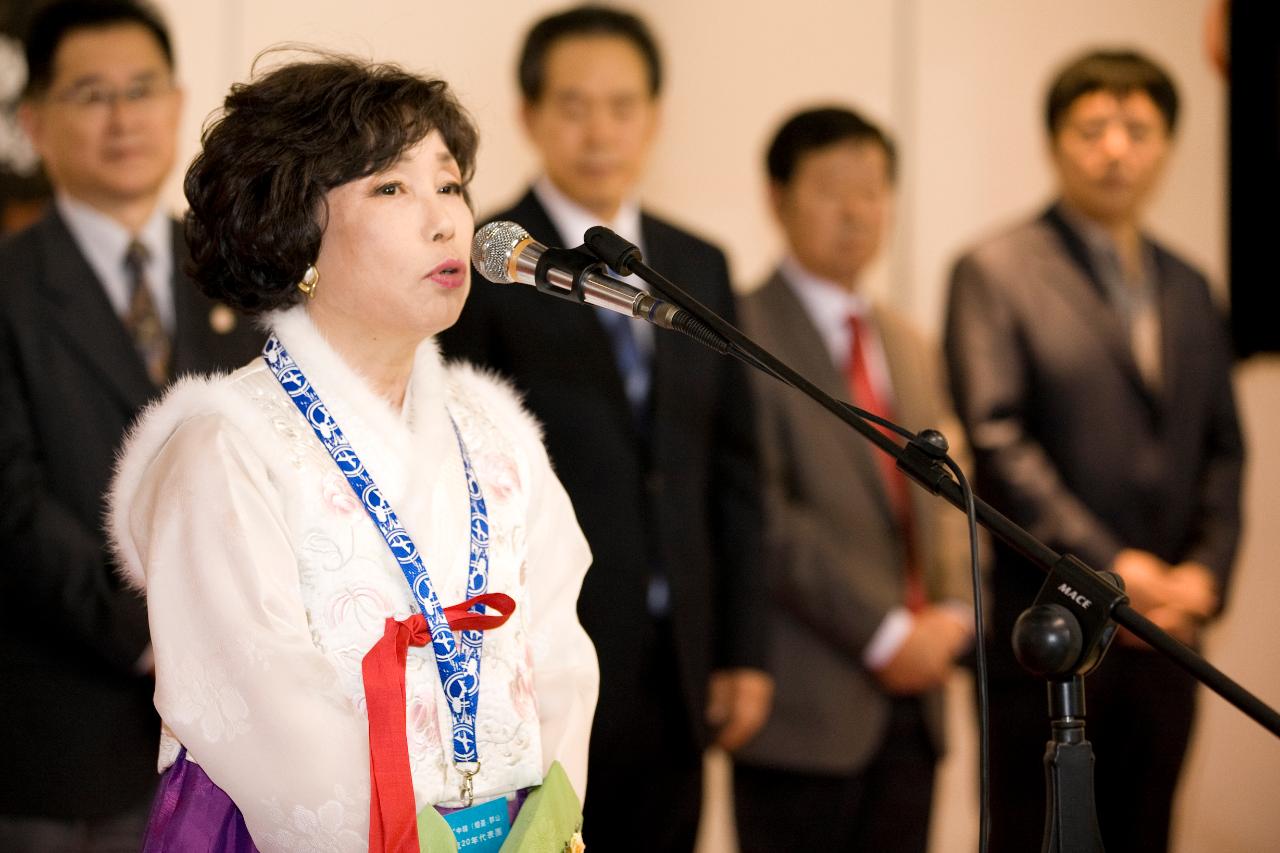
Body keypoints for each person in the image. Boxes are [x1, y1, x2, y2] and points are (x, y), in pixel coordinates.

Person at [105, 53, 598, 851]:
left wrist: (542, 825)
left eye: (449, 184)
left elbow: (561, 654)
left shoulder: (497, 430)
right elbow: (267, 713)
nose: (444, 220)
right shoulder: (228, 444)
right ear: (295, 227)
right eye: (393, 189)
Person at [438, 5, 771, 850]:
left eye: (623, 106)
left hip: (681, 654)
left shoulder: (698, 264)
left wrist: (744, 648)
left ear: (655, 117)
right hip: (541, 654)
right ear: (530, 115)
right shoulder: (487, 262)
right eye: (574, 104)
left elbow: (734, 470)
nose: (600, 129)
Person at [944, 49, 1244, 853]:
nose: (1117, 149)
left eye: (1139, 130)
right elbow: (999, 440)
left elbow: (1224, 449)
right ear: (1054, 142)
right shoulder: (996, 269)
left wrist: (1204, 575)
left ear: (1168, 148)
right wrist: (1117, 572)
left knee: (1148, 832)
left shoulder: (1191, 284)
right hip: (1049, 632)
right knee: (1033, 835)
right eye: (1094, 128)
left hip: (1169, 635)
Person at [0, 2, 259, 849]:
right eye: (90, 94)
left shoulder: (242, 278)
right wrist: (164, 636)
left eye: (140, 89)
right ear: (33, 120)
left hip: (243, 749)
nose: (122, 118)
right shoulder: (10, 285)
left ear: (177, 103)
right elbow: (15, 503)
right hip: (64, 745)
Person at [731, 107, 974, 853]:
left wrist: (958, 611)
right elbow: (760, 511)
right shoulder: (737, 329)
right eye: (832, 188)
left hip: (920, 702)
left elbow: (952, 497)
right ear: (776, 197)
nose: (857, 210)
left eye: (873, 190)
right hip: (806, 709)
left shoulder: (907, 340)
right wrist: (884, 630)